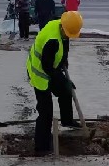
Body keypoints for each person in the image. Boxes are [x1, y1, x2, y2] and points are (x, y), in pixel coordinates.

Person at [26, 11, 84, 155]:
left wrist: (64, 61)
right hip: (39, 73)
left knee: (65, 91)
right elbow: (47, 67)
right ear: (63, 27)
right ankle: (42, 147)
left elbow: (64, 45)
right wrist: (63, 79)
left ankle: (67, 120)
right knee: (46, 112)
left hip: (50, 66)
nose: (68, 37)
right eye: (68, 34)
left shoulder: (61, 26)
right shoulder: (52, 40)